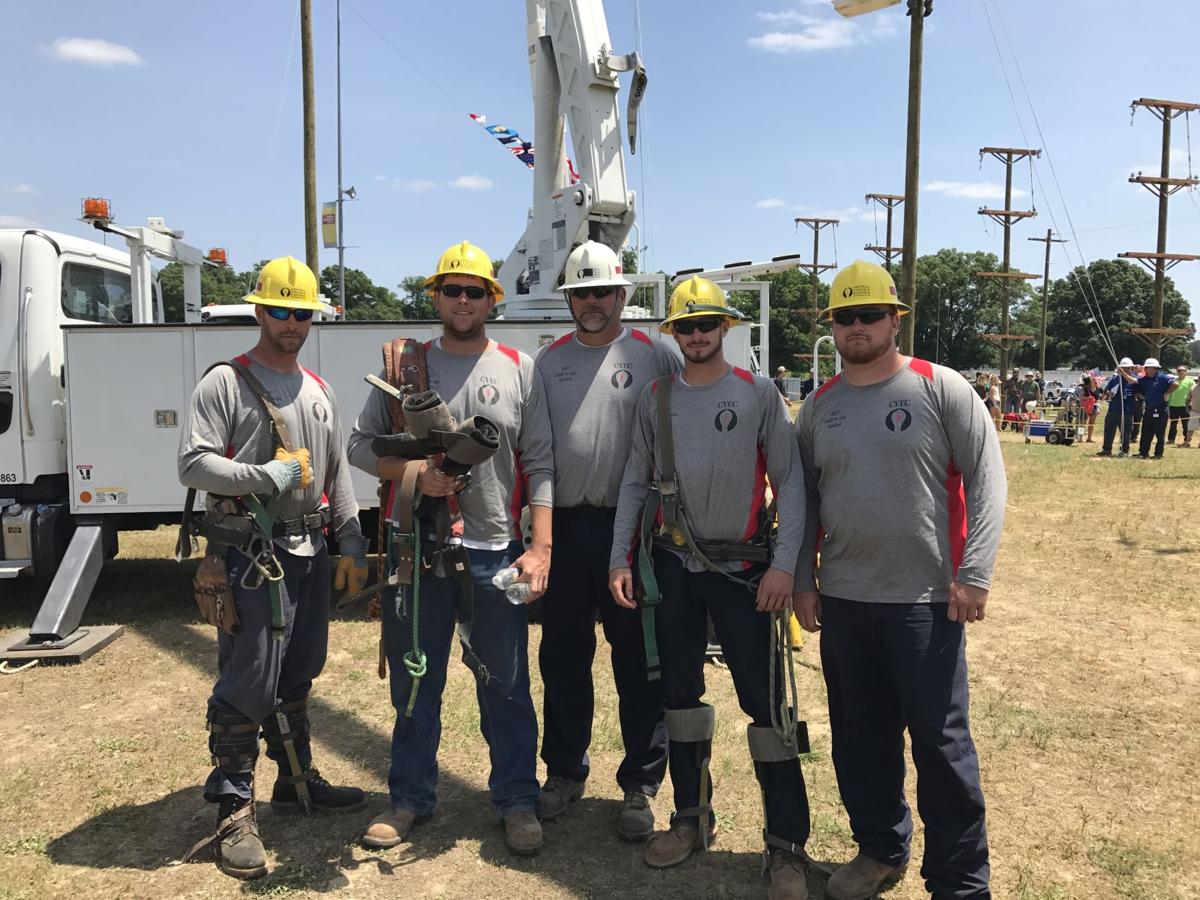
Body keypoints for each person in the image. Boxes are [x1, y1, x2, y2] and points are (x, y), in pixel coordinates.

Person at [793, 260, 1006, 900]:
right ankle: (880, 847)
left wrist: (973, 574)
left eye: (869, 315)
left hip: (925, 602)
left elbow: (988, 479)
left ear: (894, 319)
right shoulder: (818, 409)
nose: (857, 327)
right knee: (860, 739)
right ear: (832, 326)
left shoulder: (940, 389)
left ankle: (960, 882)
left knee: (941, 748)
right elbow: (804, 504)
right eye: (845, 317)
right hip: (846, 600)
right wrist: (804, 581)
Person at [347, 241, 554, 856]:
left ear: (493, 298)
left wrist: (540, 546)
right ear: (435, 295)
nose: (463, 301)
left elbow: (540, 460)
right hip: (418, 549)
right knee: (416, 681)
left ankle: (517, 798)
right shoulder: (403, 367)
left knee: (508, 683)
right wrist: (416, 477)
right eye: (452, 290)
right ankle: (410, 797)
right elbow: (359, 448)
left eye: (475, 291)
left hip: (495, 549)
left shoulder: (519, 367)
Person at [608, 276, 812, 899]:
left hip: (746, 573)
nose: (696, 336)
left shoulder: (757, 394)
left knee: (767, 707)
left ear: (725, 328)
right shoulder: (656, 397)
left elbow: (792, 484)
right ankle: (691, 819)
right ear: (675, 335)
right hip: (672, 570)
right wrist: (620, 557)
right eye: (686, 327)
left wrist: (784, 567)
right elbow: (634, 485)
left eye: (707, 325)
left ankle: (785, 848)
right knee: (680, 699)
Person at [178, 256, 368, 880]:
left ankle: (294, 778)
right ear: (259, 310)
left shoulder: (318, 390)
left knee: (301, 668)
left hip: (310, 551)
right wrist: (264, 477)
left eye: (302, 313)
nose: (291, 322)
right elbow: (193, 464)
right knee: (249, 679)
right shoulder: (226, 383)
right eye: (281, 310)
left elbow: (337, 473)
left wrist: (352, 540)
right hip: (251, 556)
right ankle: (233, 804)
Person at [533, 241, 676, 839]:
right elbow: (538, 454)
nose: (592, 302)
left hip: (635, 531)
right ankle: (564, 772)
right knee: (563, 657)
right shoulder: (548, 362)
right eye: (581, 293)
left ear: (623, 295)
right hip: (567, 529)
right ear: (570, 299)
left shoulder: (655, 354)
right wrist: (540, 540)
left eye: (602, 292)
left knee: (640, 662)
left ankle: (641, 786)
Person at [1133, 357, 1177, 460]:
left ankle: (1158, 454)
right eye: (1146, 368)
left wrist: (1167, 393)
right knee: (1146, 432)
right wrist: (1139, 395)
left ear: (1153, 368)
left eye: (1147, 368)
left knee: (1160, 433)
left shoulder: (1163, 377)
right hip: (1149, 409)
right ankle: (1143, 453)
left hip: (1161, 410)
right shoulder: (1143, 380)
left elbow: (1175, 384)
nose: (1146, 369)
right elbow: (1136, 387)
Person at [1097, 359, 1138, 458]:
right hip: (1113, 409)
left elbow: (1135, 383)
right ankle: (1106, 449)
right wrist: (1108, 393)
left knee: (1125, 433)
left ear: (1131, 368)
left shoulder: (1134, 378)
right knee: (1109, 430)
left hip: (1127, 410)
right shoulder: (1115, 379)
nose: (1126, 369)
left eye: (1128, 368)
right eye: (1124, 368)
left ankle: (1124, 451)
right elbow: (1106, 389)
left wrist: (1123, 373)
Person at [1167, 364, 1194, 448]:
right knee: (1173, 424)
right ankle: (1171, 439)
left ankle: (1187, 440)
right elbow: (1170, 393)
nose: (1181, 372)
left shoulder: (1190, 381)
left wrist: (1191, 404)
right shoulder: (1173, 381)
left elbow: (1194, 393)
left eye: (1183, 370)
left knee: (1186, 424)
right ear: (1177, 372)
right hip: (1173, 405)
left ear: (1186, 372)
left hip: (1184, 406)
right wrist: (1168, 404)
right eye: (1179, 370)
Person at [1079, 374, 1100, 443]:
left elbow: (1098, 399)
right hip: (1086, 407)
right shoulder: (1086, 388)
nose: (1092, 380)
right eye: (1091, 379)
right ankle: (1080, 438)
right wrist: (1088, 398)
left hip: (1094, 407)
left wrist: (1098, 407)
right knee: (1083, 423)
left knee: (1091, 424)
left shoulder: (1098, 389)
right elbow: (1081, 397)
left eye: (1093, 379)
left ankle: (1089, 438)